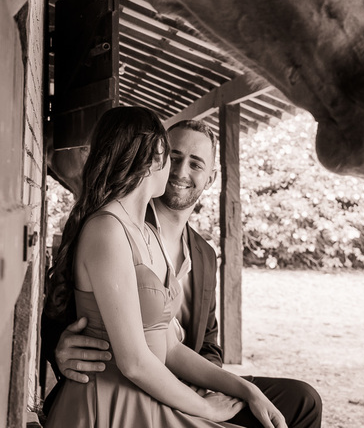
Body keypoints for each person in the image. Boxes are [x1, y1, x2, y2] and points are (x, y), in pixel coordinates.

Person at [42, 119, 322, 428]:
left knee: (303, 400)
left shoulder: (203, 254)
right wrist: (60, 348)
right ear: (152, 159)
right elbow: (63, 310)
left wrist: (237, 390)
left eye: (195, 164)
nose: (179, 171)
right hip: (118, 385)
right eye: (172, 158)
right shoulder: (109, 228)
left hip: (185, 377)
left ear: (210, 178)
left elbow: (207, 345)